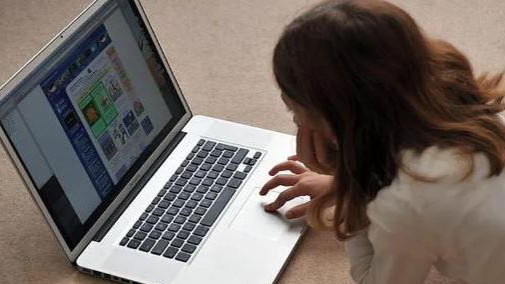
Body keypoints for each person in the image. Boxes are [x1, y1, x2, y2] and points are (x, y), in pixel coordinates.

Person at [259, 0, 505, 283]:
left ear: (336, 120)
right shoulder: (473, 114)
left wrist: (356, 190)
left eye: (296, 114)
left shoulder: (404, 205)